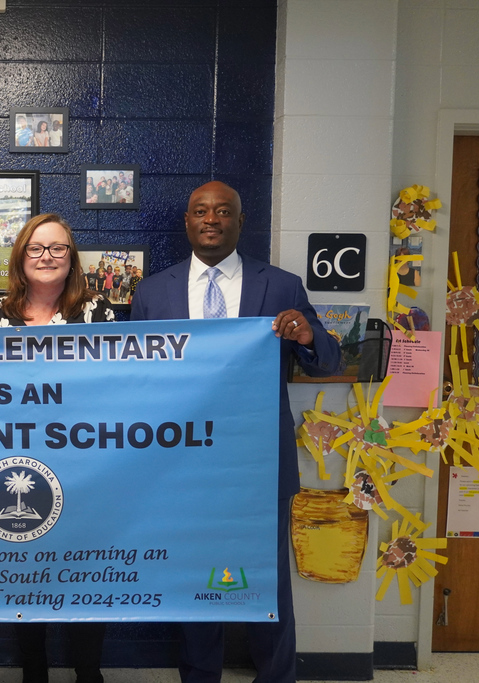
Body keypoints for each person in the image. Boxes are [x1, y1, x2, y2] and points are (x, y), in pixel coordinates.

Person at [131, 181, 340, 683]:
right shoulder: (153, 291)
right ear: (187, 221)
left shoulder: (282, 287)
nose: (212, 219)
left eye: (223, 211)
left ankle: (277, 677)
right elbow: (136, 380)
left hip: (259, 462)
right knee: (194, 579)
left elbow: (327, 361)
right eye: (201, 211)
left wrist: (308, 334)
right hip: (182, 465)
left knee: (269, 581)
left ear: (240, 222)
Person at [0, 213, 113, 683]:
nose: (47, 257)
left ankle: (88, 672)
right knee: (24, 573)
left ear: (71, 258)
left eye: (57, 248)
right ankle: (34, 670)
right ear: (21, 256)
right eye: (36, 248)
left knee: (87, 570)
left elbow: (112, 387)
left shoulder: (97, 312)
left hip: (84, 464)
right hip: (15, 463)